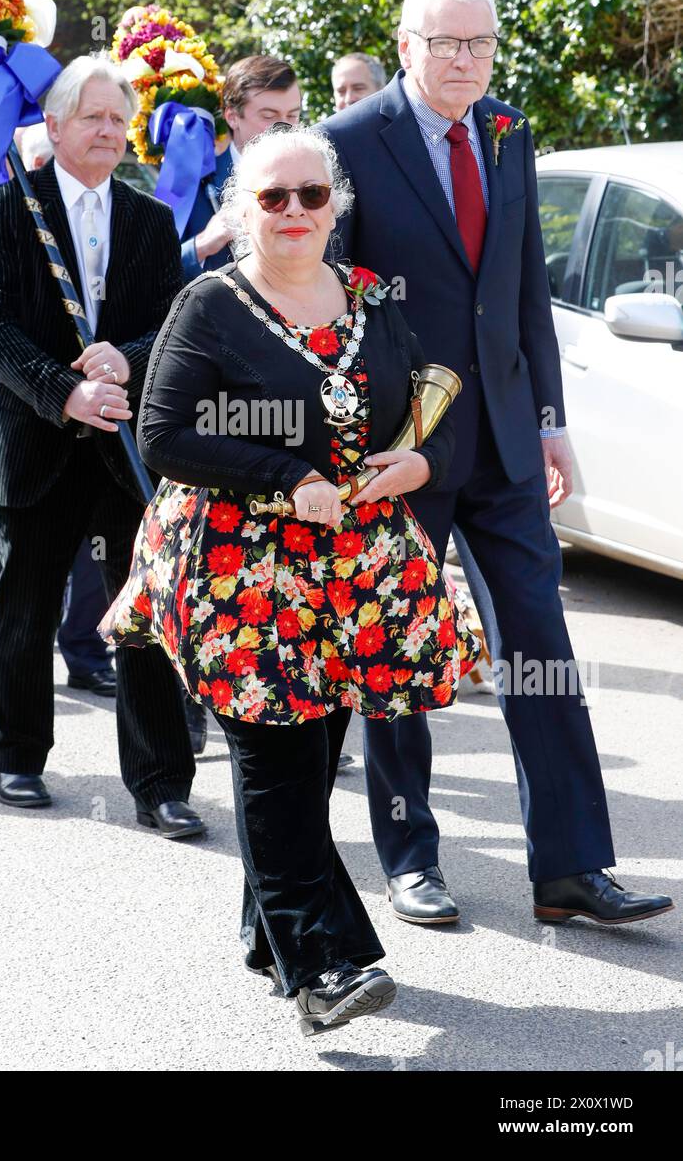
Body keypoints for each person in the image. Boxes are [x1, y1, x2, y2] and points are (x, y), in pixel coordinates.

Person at [102, 126, 479, 1033]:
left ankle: (267, 934)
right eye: (274, 198)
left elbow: (436, 411)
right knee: (273, 757)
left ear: (336, 205)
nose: (296, 212)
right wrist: (288, 476)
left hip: (353, 572)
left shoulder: (372, 302)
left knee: (310, 759)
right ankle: (324, 968)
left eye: (312, 195)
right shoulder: (211, 305)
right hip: (240, 571)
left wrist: (417, 468)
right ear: (242, 210)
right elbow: (165, 436)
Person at [321, 0, 673, 927]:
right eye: (447, 44)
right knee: (395, 651)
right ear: (406, 46)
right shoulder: (349, 144)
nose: (466, 60)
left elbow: (524, 295)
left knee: (542, 652)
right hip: (403, 447)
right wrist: (352, 435)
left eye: (480, 43)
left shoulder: (509, 134)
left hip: (509, 445)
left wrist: (551, 422)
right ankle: (410, 858)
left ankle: (570, 870)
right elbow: (332, 305)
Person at [0, 52, 203, 831]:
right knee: (25, 610)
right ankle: (18, 758)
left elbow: (173, 325)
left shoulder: (150, 219)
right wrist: (66, 389)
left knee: (138, 617)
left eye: (119, 119)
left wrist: (125, 359)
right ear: (56, 124)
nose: (109, 130)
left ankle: (162, 783)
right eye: (94, 116)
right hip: (35, 444)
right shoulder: (6, 208)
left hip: (123, 457)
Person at [0, 122, 120, 702]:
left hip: (91, 419)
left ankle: (83, 649)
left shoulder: (103, 227)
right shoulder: (0, 221)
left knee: (92, 548)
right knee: (6, 541)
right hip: (4, 410)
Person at [180, 55, 301, 282]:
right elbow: (151, 275)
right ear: (232, 117)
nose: (284, 126)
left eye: (293, 115)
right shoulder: (194, 182)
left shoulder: (316, 181)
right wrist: (201, 246)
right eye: (269, 116)